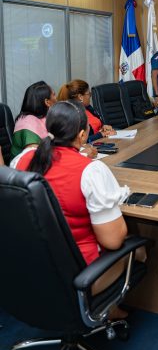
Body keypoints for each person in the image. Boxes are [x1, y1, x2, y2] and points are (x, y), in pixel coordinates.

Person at [15, 100, 140, 299]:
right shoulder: (90, 171)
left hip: (32, 267)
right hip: (80, 273)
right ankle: (108, 308)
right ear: (82, 135)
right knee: (139, 250)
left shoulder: (23, 159)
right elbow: (113, 241)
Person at [11, 81, 57, 160]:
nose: (56, 98)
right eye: (54, 95)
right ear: (47, 102)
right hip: (24, 169)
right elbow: (34, 158)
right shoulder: (28, 124)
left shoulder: (42, 118)